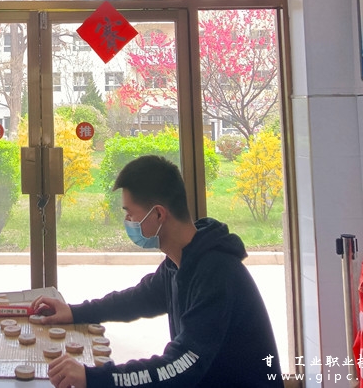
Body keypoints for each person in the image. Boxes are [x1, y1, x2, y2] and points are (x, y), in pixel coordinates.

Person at [31, 155, 283, 388]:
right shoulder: (182, 261)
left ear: (159, 214)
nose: (128, 222)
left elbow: (180, 366)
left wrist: (94, 377)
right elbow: (138, 298)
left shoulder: (216, 274)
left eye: (131, 214)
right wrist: (74, 312)